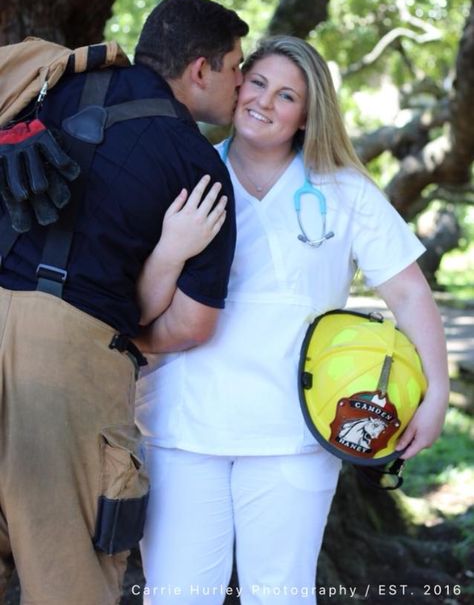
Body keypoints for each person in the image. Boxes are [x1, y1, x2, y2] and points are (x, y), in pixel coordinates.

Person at [135, 35, 449, 604]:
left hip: (293, 434)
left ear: (307, 115)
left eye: (287, 96)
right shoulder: (183, 170)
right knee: (178, 596)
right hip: (181, 427)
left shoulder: (345, 190)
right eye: (256, 83)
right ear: (235, 83)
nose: (264, 102)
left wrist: (438, 393)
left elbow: (408, 293)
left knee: (279, 595)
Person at [0, 0, 248, 605]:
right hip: (66, 373)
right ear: (200, 70)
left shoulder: (48, 82)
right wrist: (109, 325)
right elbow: (191, 324)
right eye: (236, 67)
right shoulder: (199, 168)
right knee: (70, 578)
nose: (242, 85)